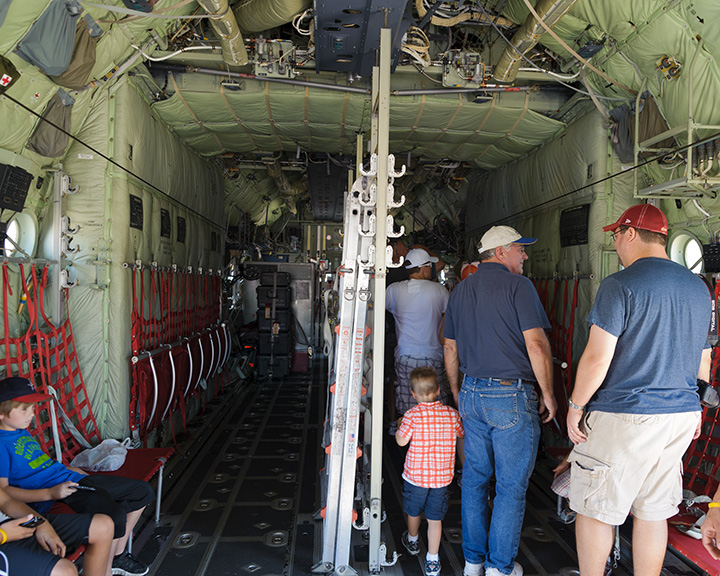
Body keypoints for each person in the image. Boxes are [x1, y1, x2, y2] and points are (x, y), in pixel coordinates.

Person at [565, 204, 711, 576]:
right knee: (653, 511)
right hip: (679, 417)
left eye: (616, 235)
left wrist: (575, 405)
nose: (615, 244)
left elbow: (597, 358)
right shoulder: (700, 288)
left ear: (631, 234)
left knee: (596, 509)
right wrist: (694, 406)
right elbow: (704, 355)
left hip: (625, 416)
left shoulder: (620, 284)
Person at [443, 225, 555, 576]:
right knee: (509, 488)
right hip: (509, 395)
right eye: (520, 249)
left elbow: (449, 347)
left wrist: (457, 391)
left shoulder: (460, 290)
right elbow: (536, 344)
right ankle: (499, 567)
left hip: (472, 392)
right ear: (502, 251)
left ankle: (473, 563)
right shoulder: (519, 286)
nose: (524, 255)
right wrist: (548, 393)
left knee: (475, 480)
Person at [0, 376, 156, 576]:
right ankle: (107, 569)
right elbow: (4, 491)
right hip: (60, 490)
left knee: (142, 492)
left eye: (33, 407)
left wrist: (70, 470)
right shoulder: (1, 444)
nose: (32, 413)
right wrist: (50, 493)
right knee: (114, 514)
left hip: (68, 478)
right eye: (24, 409)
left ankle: (117, 557)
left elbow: (37, 463)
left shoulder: (20, 431)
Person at [396, 367, 464, 576]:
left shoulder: (411, 416)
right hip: (442, 478)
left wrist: (400, 425)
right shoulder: (452, 415)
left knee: (414, 510)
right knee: (436, 519)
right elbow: (461, 436)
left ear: (414, 394)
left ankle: (413, 540)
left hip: (416, 477)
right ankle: (433, 560)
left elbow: (401, 441)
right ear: (438, 390)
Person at [386, 248, 450, 428]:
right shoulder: (440, 290)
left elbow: (374, 308)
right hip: (433, 355)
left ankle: (407, 439)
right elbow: (451, 318)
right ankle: (432, 439)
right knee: (434, 403)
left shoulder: (394, 289)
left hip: (405, 355)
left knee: (408, 403)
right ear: (424, 268)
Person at [0, 483, 114, 576]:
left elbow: (6, 502)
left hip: (9, 522)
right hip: (4, 536)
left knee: (103, 526)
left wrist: (42, 523)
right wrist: (4, 534)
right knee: (65, 571)